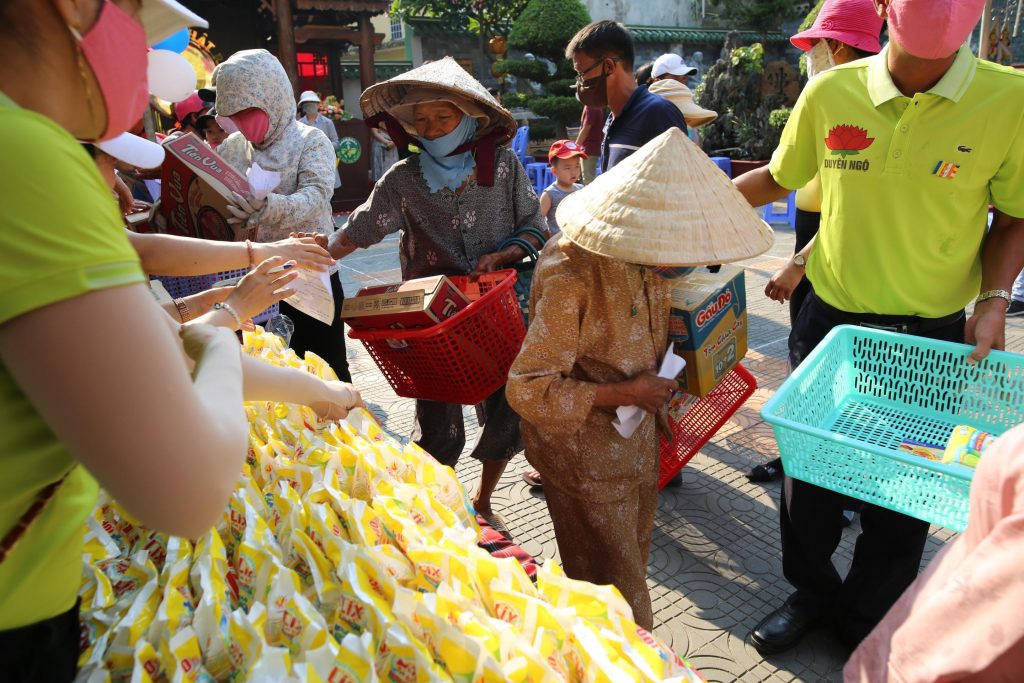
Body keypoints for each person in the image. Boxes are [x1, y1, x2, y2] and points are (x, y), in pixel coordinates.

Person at [0, 2, 363, 680]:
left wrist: (255, 263)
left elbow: (138, 260)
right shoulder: (26, 154)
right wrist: (229, 326)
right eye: (138, 18)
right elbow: (190, 492)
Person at [735, 0, 1024, 656]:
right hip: (834, 322)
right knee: (808, 480)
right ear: (886, 7)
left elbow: (1013, 216)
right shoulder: (831, 91)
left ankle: (867, 607)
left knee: (906, 487)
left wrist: (994, 297)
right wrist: (684, 203)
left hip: (930, 338)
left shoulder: (1010, 100)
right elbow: (778, 178)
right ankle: (810, 591)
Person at [508, 128, 773, 630]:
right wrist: (624, 392)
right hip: (581, 454)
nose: (690, 261)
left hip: (636, 443)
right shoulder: (574, 273)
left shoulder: (654, 266)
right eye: (682, 250)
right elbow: (528, 387)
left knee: (627, 559)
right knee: (617, 587)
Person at [323, 57, 549, 539]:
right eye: (420, 120)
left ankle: (484, 499)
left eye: (442, 118)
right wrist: (316, 257)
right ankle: (441, 499)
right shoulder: (403, 178)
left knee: (506, 409)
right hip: (429, 321)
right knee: (437, 418)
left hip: (497, 313)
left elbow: (536, 225)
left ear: (469, 116)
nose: (431, 128)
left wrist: (507, 251)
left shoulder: (503, 167)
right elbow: (360, 228)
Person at [747, 0, 883, 485]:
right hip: (813, 241)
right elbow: (784, 176)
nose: (812, 56)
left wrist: (799, 262)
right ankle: (799, 463)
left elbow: (861, 209)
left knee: (836, 374)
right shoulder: (828, 98)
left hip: (834, 262)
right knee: (805, 366)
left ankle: (836, 479)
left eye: (817, 46)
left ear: (839, 47)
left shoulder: (870, 107)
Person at [845, 422, 1024, 682]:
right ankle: (833, 607)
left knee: (898, 529)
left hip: (931, 657)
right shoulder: (1013, 451)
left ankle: (863, 617)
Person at [212, 49, 352, 382]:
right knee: (270, 366)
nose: (242, 123)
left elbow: (317, 195)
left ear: (273, 97)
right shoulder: (232, 146)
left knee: (326, 365)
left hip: (308, 274)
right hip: (255, 277)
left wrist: (268, 208)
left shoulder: (310, 140)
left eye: (249, 111)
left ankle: (345, 427)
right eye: (234, 114)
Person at [566, 21, 687, 173]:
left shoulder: (658, 113)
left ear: (609, 66)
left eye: (582, 73)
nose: (580, 82)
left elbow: (682, 187)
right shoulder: (612, 119)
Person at [297, 90, 342, 190]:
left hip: (325, 164)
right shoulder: (299, 124)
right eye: (306, 104)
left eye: (312, 103)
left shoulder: (327, 123)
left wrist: (323, 145)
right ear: (303, 107)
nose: (310, 106)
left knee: (328, 194)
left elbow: (336, 143)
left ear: (318, 105)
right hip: (307, 166)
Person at [539, 140, 585, 236]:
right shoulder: (549, 194)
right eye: (568, 168)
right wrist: (548, 237)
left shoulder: (581, 189)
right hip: (558, 243)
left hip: (578, 239)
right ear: (554, 171)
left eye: (577, 166)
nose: (573, 172)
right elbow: (538, 221)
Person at [575, 104, 605, 184]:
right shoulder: (594, 106)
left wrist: (575, 147)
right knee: (581, 179)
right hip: (588, 148)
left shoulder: (591, 106)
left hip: (589, 148)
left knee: (587, 180)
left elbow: (586, 129)